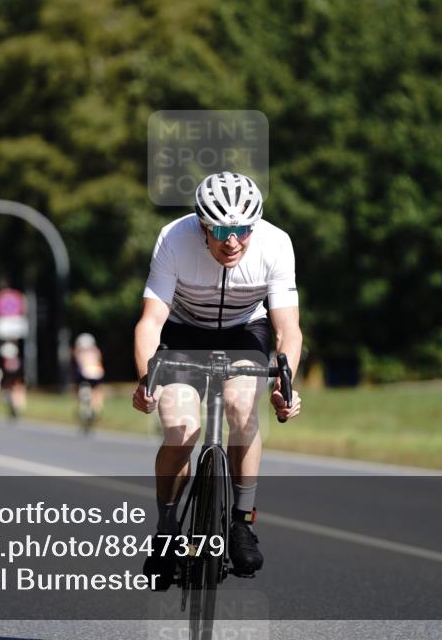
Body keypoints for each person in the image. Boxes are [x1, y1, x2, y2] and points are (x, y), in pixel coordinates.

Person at [132, 171, 302, 589]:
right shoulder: (174, 239)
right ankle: (169, 529)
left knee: (242, 408)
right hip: (185, 331)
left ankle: (242, 522)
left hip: (247, 330)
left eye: (243, 230)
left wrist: (285, 384)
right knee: (180, 428)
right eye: (221, 230)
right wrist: (145, 378)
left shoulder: (275, 243)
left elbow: (288, 330)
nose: (233, 241)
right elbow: (151, 321)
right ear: (202, 225)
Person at [73, 332, 105, 419]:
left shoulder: (79, 351)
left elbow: (77, 363)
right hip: (97, 373)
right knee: (97, 390)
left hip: (84, 374)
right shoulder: (96, 350)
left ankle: (81, 407)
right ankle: (96, 409)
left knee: (77, 387)